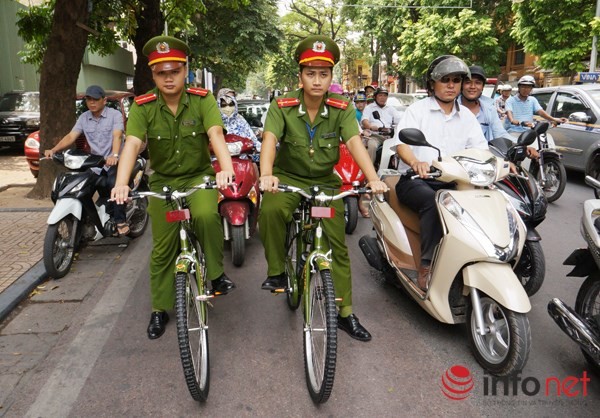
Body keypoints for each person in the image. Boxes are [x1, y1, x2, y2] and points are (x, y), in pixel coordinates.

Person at [259, 34, 388, 341]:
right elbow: (269, 141)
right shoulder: (282, 105)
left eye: (323, 74)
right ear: (300, 76)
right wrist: (266, 174)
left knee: (337, 247)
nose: (317, 80)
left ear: (331, 76)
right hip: (288, 179)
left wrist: (372, 178)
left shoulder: (341, 107)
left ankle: (345, 314)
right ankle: (277, 270)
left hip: (325, 184)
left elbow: (355, 143)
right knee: (271, 211)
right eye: (310, 73)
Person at [111, 35, 236, 340]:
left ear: (185, 70)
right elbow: (133, 144)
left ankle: (216, 275)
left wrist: (227, 169)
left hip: (199, 179)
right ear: (153, 75)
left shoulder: (203, 98)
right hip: (164, 183)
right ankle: (159, 308)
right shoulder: (144, 106)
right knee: (163, 248)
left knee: (207, 216)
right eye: (161, 73)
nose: (168, 78)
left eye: (174, 71)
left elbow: (216, 135)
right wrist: (121, 183)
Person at [393, 55, 488, 291]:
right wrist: (416, 162)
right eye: (445, 80)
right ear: (433, 83)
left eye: (456, 80)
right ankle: (427, 265)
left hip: (455, 181)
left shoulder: (466, 116)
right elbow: (401, 143)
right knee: (433, 202)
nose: (451, 85)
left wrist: (501, 164)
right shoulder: (418, 110)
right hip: (416, 180)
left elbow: (480, 149)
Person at [45, 85, 128, 235]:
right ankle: (84, 221)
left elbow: (117, 135)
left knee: (113, 185)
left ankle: (120, 220)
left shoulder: (114, 115)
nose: (92, 102)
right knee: (82, 187)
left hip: (115, 162)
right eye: (89, 99)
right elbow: (71, 136)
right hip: (96, 163)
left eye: (96, 99)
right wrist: (54, 150)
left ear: (104, 100)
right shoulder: (84, 117)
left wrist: (114, 155)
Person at [460, 66, 539, 158]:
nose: (472, 87)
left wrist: (522, 146)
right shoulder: (452, 107)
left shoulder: (488, 108)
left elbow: (500, 133)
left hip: (484, 159)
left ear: (482, 87)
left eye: (478, 83)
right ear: (461, 85)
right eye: (468, 82)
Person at [361, 87, 402, 165]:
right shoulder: (369, 108)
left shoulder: (391, 109)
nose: (383, 98)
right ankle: (369, 170)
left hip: (390, 137)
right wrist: (370, 126)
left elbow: (399, 121)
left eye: (385, 95)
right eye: (380, 95)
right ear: (375, 97)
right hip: (375, 136)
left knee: (401, 148)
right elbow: (364, 121)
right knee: (372, 146)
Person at [216, 88, 261, 155]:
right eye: (224, 105)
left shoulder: (240, 120)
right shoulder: (214, 120)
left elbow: (252, 139)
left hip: (242, 158)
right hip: (217, 159)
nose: (228, 108)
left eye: (231, 104)